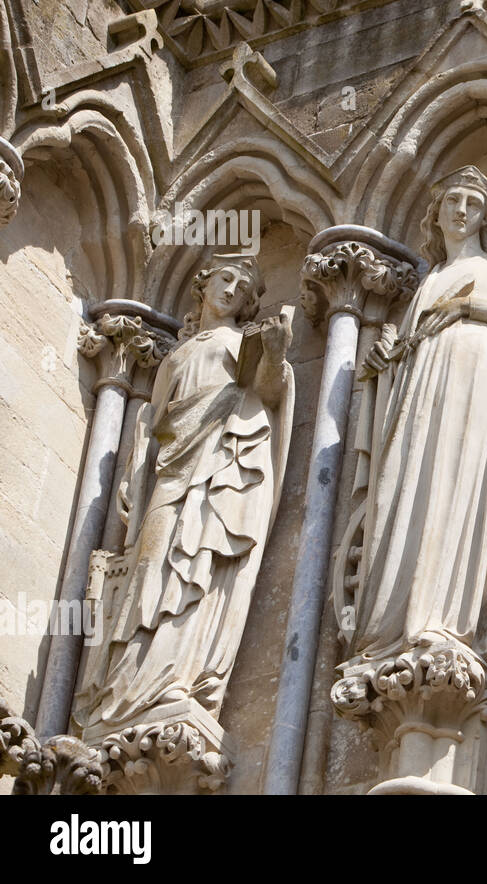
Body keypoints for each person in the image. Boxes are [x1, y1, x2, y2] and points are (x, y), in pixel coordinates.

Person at [75, 255, 294, 731]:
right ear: (204, 285)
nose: (232, 289)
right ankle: (130, 681)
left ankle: (177, 674)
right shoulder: (175, 355)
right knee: (152, 564)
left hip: (225, 465)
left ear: (251, 303)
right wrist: (135, 475)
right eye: (225, 278)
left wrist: (274, 357)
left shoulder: (244, 342)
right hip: (172, 469)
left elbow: (271, 395)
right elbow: (152, 425)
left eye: (243, 286)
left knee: (200, 560)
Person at [343, 165, 487, 662]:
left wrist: (471, 309)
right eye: (452, 202)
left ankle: (442, 616)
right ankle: (395, 619)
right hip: (421, 390)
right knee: (411, 488)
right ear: (435, 215)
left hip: (475, 381)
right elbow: (409, 347)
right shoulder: (428, 280)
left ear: (484, 217)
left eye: (472, 205)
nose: (461, 211)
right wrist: (384, 366)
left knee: (459, 487)